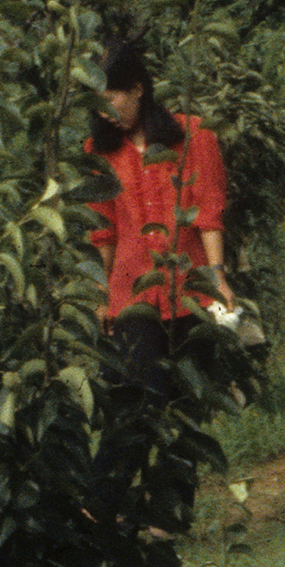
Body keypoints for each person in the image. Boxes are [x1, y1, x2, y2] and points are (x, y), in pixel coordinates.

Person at [87, 37, 239, 427]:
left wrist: (217, 277)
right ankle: (111, 489)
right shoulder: (99, 153)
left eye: (113, 99)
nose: (105, 113)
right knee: (140, 407)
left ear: (138, 89)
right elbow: (104, 231)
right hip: (132, 296)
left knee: (188, 412)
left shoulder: (194, 136)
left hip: (191, 292)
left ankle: (173, 487)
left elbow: (208, 213)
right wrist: (101, 294)